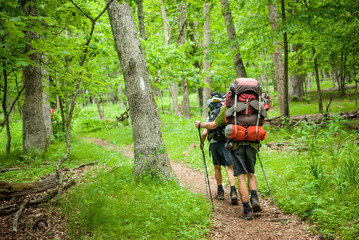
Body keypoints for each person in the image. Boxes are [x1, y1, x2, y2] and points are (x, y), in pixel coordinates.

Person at [195, 80, 267, 220]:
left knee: (241, 177)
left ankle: (247, 210)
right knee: (251, 173)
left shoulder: (228, 106)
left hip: (236, 145)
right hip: (253, 143)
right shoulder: (256, 106)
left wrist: (200, 125)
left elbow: (214, 124)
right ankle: (255, 198)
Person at [200, 95, 238, 205]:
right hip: (227, 143)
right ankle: (233, 191)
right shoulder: (225, 113)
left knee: (217, 167)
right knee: (229, 167)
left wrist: (202, 143)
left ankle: (220, 191)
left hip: (215, 144)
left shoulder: (212, 115)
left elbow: (204, 132)